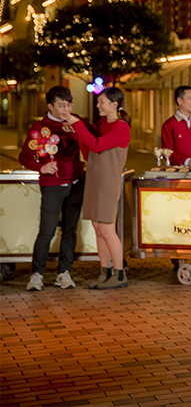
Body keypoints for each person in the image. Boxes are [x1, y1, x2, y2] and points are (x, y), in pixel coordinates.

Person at [20, 86, 86, 291]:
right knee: (47, 230)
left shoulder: (75, 122)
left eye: (69, 104)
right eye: (61, 105)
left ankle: (63, 272)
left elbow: (93, 140)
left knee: (70, 230)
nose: (66, 109)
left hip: (76, 182)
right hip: (52, 186)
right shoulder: (40, 127)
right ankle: (37, 274)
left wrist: (78, 130)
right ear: (50, 106)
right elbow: (24, 157)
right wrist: (42, 167)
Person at [64, 87, 131, 289]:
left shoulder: (121, 127)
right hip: (94, 179)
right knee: (98, 228)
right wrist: (77, 132)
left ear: (114, 104)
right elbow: (89, 150)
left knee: (107, 229)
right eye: (98, 101)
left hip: (107, 182)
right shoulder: (103, 126)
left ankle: (119, 274)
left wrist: (77, 124)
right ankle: (105, 271)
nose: (98, 105)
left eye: (102, 101)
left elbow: (97, 146)